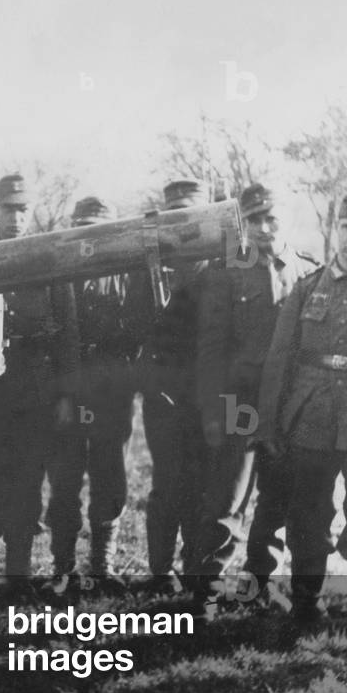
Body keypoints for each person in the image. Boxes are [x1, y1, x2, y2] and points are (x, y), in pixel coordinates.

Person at [257, 191, 347, 647]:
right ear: (333, 229)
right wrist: (268, 424)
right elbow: (280, 360)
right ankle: (305, 606)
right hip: (312, 411)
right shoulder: (306, 288)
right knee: (307, 513)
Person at [193, 184, 321, 610]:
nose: (264, 228)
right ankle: (207, 588)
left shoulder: (307, 272)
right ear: (243, 225)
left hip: (287, 403)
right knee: (228, 495)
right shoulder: (225, 274)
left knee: (277, 495)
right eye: (254, 220)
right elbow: (210, 350)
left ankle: (257, 584)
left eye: (271, 218)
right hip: (240, 402)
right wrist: (214, 411)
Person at [0, 173, 79, 594]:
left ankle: (19, 575)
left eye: (23, 208)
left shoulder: (47, 259)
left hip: (35, 392)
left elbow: (68, 334)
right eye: (8, 208)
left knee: (27, 483)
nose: (16, 217)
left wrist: (65, 394)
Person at [47, 196, 135, 592]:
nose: (91, 241)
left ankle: (102, 565)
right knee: (65, 479)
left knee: (110, 475)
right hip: (68, 391)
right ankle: (63, 568)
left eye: (99, 232)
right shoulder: (58, 277)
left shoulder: (127, 274)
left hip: (110, 394)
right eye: (83, 229)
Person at [133, 178, 209, 595]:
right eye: (175, 215)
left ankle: (195, 569)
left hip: (201, 396)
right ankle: (160, 571)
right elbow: (134, 331)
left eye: (190, 215)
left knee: (199, 485)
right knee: (165, 486)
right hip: (162, 396)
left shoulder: (217, 271)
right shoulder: (149, 272)